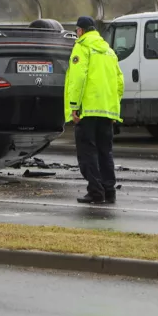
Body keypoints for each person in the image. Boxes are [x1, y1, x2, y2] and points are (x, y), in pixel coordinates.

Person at [65, 16, 126, 204]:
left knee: (88, 153)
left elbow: (78, 79)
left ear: (81, 31)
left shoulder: (82, 48)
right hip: (107, 111)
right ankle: (109, 191)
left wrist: (74, 107)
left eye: (77, 30)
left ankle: (95, 191)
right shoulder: (109, 51)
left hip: (87, 110)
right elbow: (119, 83)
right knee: (105, 152)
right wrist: (114, 110)